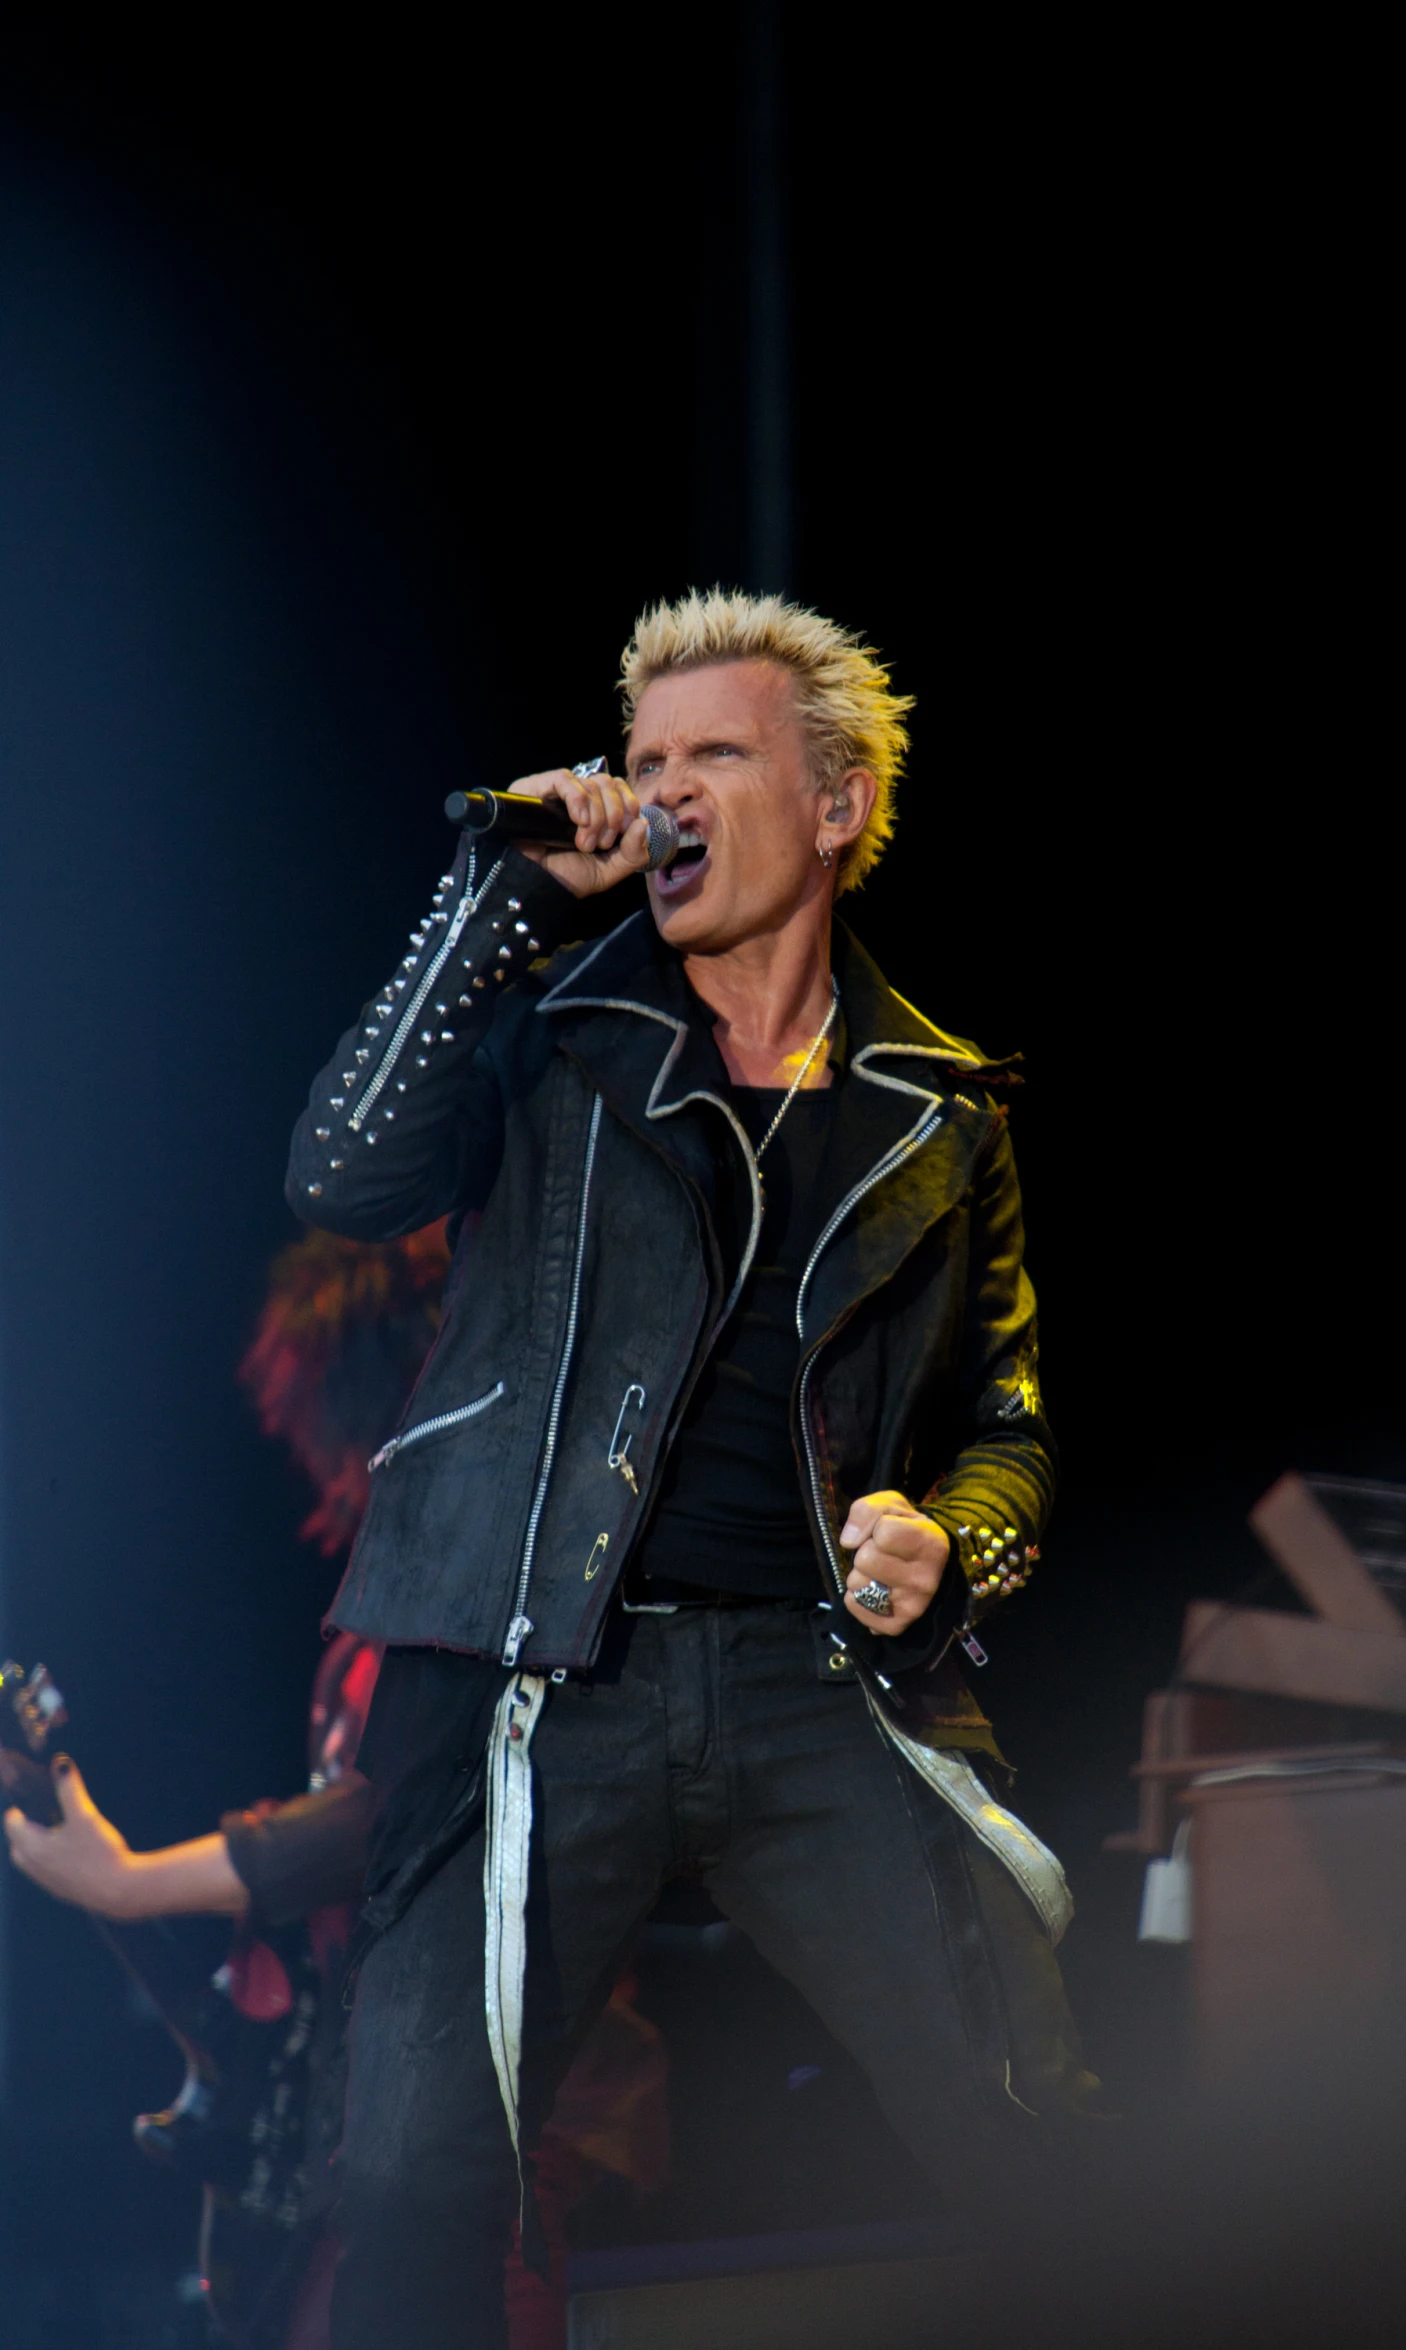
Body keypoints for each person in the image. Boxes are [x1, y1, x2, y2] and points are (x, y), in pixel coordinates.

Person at [285, 589, 1101, 2349]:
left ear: (835, 805)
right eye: (641, 760)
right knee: (412, 2178)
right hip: (534, 1673)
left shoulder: (941, 1109)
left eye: (710, 757)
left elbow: (1010, 1429)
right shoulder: (555, 1032)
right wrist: (498, 896)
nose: (659, 793)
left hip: (813, 1684)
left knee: (1038, 2138)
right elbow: (341, 1176)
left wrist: (952, 1540)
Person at [4, 1226, 665, 2350]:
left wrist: (129, 1881)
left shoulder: (514, 1577)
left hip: (506, 2123)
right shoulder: (358, 1646)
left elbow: (394, 1814)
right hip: (376, 2141)